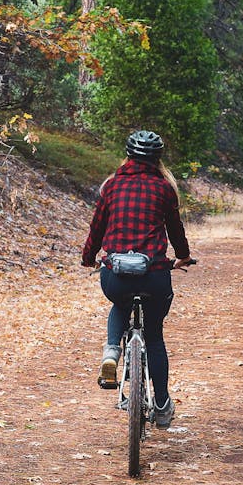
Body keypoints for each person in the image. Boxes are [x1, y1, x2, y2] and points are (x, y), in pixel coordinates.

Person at [81, 130, 193, 429]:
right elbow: (175, 230)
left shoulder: (112, 186)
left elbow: (96, 229)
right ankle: (160, 404)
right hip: (154, 274)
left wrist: (88, 257)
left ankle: (111, 352)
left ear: (127, 155)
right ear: (158, 159)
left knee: (120, 302)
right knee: (154, 337)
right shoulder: (164, 188)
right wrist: (182, 256)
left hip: (116, 274)